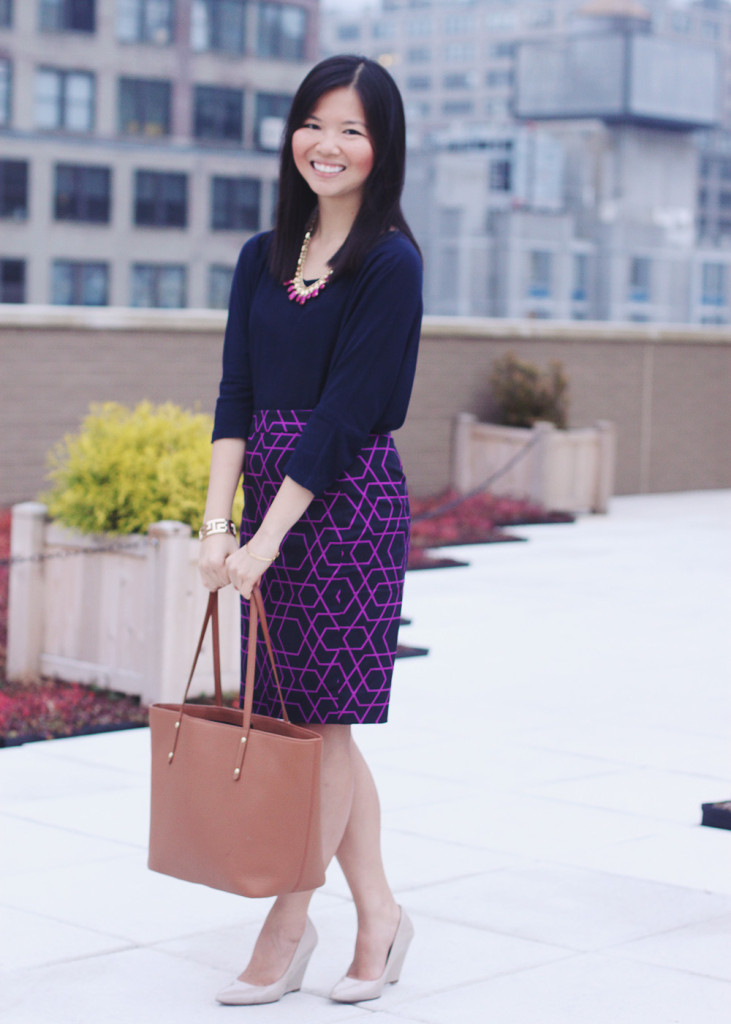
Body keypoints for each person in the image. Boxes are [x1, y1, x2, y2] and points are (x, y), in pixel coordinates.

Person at [198, 54, 423, 1007]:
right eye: (314, 124)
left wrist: (266, 538)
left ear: (382, 149)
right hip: (265, 509)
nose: (327, 146)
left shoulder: (389, 264)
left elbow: (342, 416)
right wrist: (216, 525)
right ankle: (378, 913)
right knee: (313, 726)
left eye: (353, 130)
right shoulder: (260, 256)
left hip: (346, 506)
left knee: (320, 721)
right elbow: (235, 396)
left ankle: (288, 919)